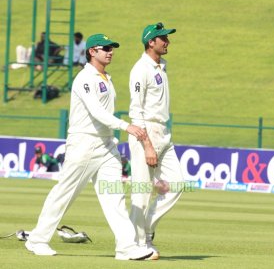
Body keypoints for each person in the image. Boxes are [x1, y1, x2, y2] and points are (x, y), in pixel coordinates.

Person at [25, 33, 153, 261]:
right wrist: (126, 126)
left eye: (112, 48)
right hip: (84, 144)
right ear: (92, 51)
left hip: (105, 146)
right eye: (105, 48)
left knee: (114, 198)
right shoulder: (85, 78)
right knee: (64, 194)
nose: (110, 51)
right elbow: (97, 111)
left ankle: (126, 247)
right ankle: (37, 240)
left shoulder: (105, 77)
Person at [128, 22, 185, 260]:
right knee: (141, 191)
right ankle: (135, 244)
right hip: (146, 132)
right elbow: (136, 110)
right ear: (151, 42)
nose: (167, 41)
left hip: (164, 132)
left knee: (177, 185)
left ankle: (146, 232)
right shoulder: (140, 69)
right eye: (163, 38)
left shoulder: (162, 66)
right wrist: (147, 144)